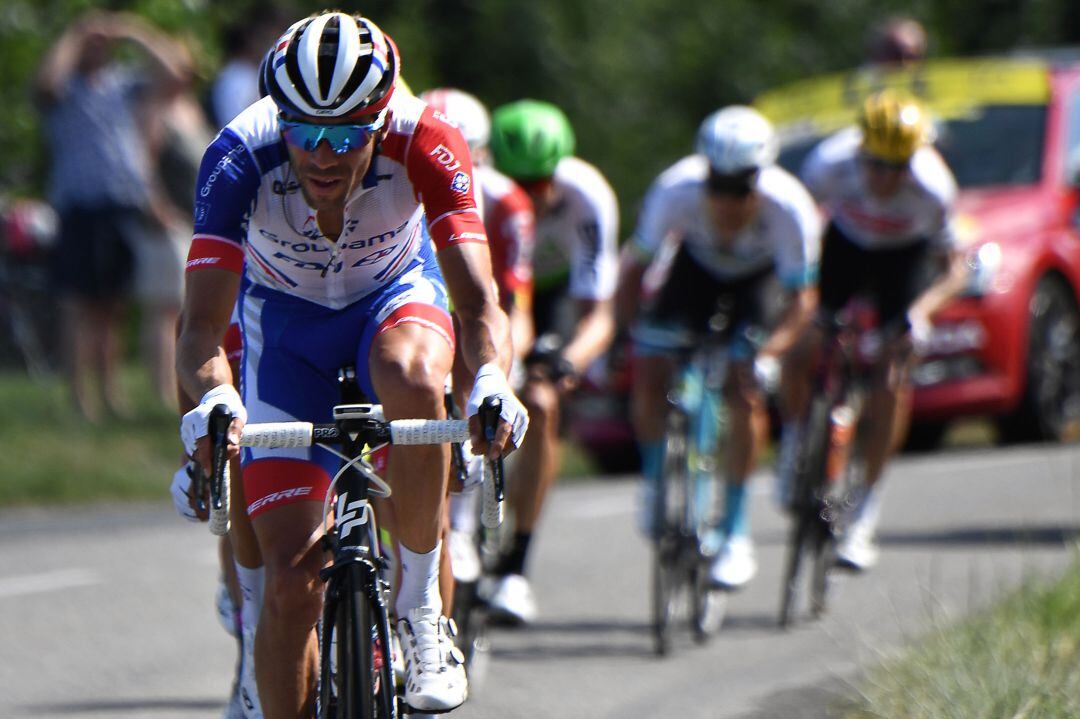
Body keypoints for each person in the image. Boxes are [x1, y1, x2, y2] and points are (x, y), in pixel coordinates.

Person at [176, 11, 527, 717]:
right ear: (282, 120)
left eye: (345, 136)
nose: (324, 156)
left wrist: (490, 380)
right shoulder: (239, 153)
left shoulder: (427, 137)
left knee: (418, 377)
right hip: (286, 330)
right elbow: (200, 327)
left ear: (380, 122)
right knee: (288, 584)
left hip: (393, 303)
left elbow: (480, 302)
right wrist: (213, 398)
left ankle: (422, 606)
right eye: (305, 135)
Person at [616, 106, 821, 588]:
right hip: (695, 272)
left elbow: (802, 301)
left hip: (758, 282)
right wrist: (628, 337)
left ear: (760, 178)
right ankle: (654, 480)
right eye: (717, 185)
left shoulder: (789, 206)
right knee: (650, 369)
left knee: (744, 389)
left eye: (740, 187)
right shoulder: (675, 189)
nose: (727, 200)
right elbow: (634, 268)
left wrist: (770, 355)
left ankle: (735, 530)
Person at [798, 90, 968, 570]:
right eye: (875, 165)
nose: (885, 178)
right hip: (845, 246)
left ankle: (864, 513)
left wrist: (922, 312)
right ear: (859, 152)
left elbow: (954, 269)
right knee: (806, 335)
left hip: (903, 258)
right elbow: (797, 224)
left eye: (898, 167)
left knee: (895, 370)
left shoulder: (934, 186)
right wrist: (805, 292)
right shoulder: (829, 162)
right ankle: (796, 441)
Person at [486, 100, 618, 624]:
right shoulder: (482, 192)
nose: (530, 198)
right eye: (519, 184)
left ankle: (516, 564)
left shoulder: (588, 196)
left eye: (540, 185)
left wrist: (569, 361)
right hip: (499, 294)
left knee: (541, 402)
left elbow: (600, 313)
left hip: (557, 296)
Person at [35, 10, 189, 421]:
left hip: (122, 206)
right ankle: (80, 398)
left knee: (113, 308)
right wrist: (76, 32)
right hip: (80, 208)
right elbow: (46, 81)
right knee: (80, 307)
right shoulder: (64, 90)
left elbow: (174, 73)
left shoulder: (123, 85)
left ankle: (111, 394)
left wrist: (129, 31)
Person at [419, 87, 536, 587]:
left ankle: (463, 526)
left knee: (479, 351)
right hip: (423, 307)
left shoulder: (507, 201)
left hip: (479, 312)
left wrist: (506, 368)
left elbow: (512, 304)